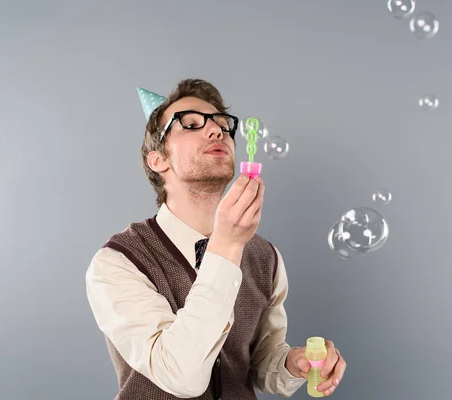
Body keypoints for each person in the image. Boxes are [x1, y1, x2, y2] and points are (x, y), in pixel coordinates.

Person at [85, 79, 346, 399]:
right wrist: (227, 246)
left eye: (223, 125)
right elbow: (180, 376)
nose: (217, 131)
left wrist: (293, 363)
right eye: (191, 124)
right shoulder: (119, 261)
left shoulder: (266, 257)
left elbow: (260, 360)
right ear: (158, 160)